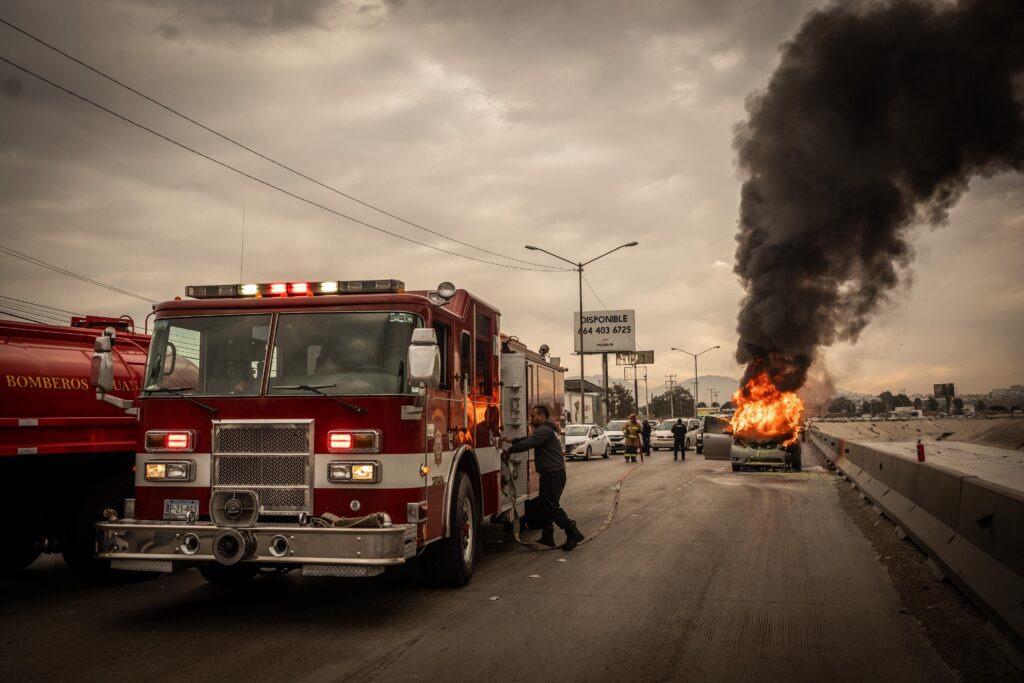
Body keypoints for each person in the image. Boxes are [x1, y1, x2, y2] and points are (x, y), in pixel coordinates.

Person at [501, 405, 585, 551]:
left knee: (551, 506)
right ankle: (548, 537)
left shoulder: (544, 430)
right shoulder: (544, 430)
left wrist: (511, 450)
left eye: (533, 416)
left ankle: (573, 532)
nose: (531, 419)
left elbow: (530, 442)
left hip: (554, 474)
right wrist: (513, 441)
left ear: (542, 416)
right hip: (550, 474)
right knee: (545, 505)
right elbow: (529, 438)